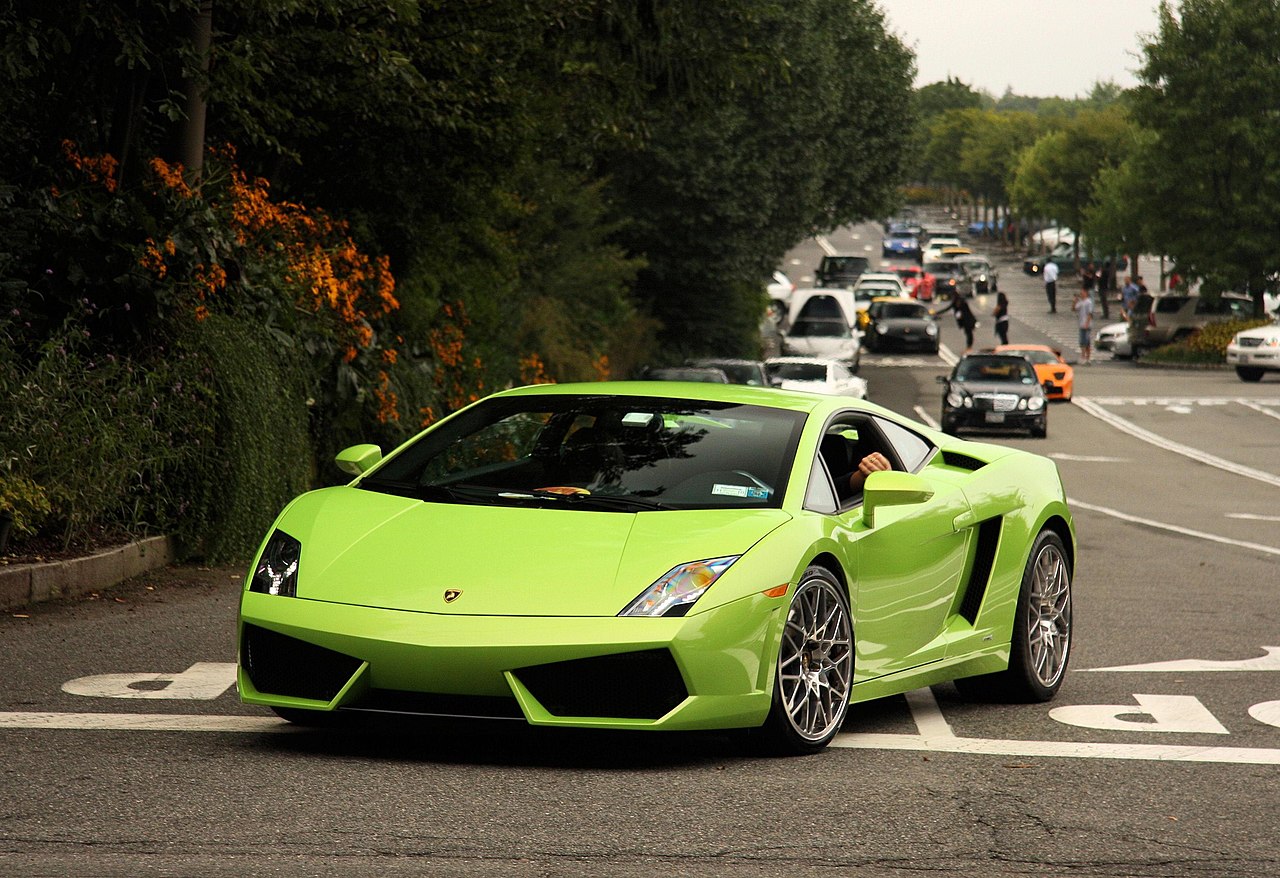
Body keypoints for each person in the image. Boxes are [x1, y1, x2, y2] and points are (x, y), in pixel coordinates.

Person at [1074, 284, 1094, 364]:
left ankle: (1086, 357)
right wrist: (1075, 301)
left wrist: (1087, 323)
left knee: (1086, 342)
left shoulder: (1088, 302)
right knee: (1083, 342)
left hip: (1086, 325)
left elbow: (1090, 313)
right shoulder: (1080, 302)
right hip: (1081, 324)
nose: (1081, 294)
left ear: (1086, 293)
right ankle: (1084, 357)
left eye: (1082, 293)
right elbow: (1074, 309)